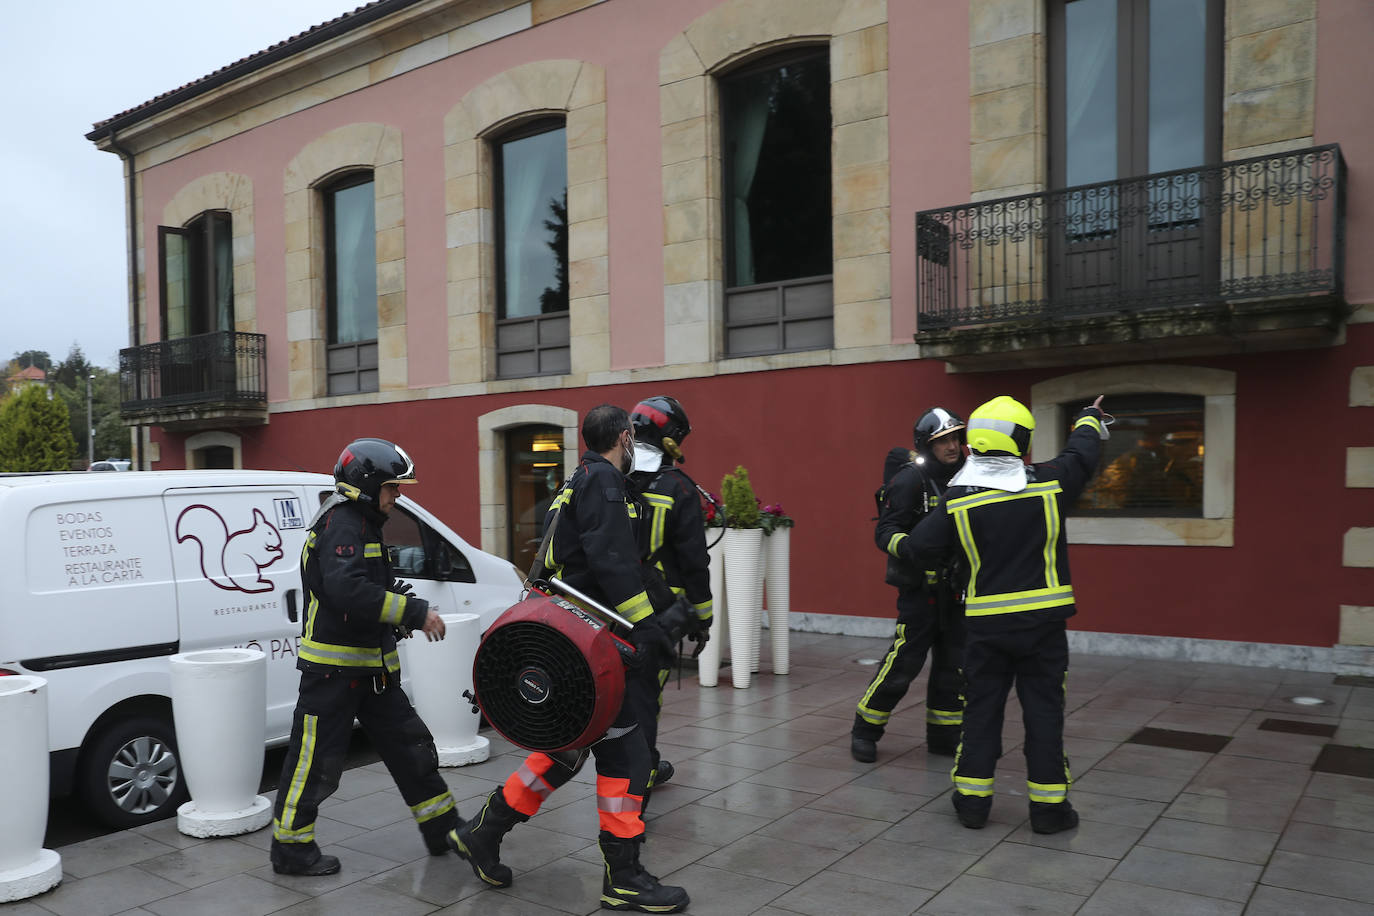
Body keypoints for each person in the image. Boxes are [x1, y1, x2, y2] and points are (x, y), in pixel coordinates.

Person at [451, 404, 691, 914]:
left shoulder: (578, 479)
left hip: (566, 643)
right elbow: (612, 562)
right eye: (632, 439)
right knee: (628, 756)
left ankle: (483, 831)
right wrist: (648, 628)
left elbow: (615, 562)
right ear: (625, 437)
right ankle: (623, 878)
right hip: (587, 645)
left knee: (564, 750)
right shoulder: (605, 482)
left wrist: (666, 610)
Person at [903, 395, 1108, 835]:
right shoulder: (1052, 482)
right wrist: (1089, 417)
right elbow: (1082, 452)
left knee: (980, 712)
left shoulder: (958, 500)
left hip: (984, 628)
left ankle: (974, 803)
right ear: (1023, 440)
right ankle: (1049, 810)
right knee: (1044, 713)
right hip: (1044, 627)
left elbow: (919, 548)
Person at [270, 438, 458, 876]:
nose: (399, 496)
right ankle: (291, 849)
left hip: (371, 670)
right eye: (394, 488)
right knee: (313, 762)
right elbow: (346, 591)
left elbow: (365, 589)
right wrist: (413, 612)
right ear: (368, 486)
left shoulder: (361, 522)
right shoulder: (342, 524)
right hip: (334, 673)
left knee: (412, 749)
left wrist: (393, 607)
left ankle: (443, 828)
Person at [852, 407, 968, 763]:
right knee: (903, 665)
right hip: (921, 593)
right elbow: (884, 532)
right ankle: (866, 729)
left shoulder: (967, 475)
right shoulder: (909, 481)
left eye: (955, 438)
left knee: (954, 667)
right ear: (926, 444)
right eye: (942, 441)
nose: (952, 446)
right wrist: (910, 548)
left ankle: (944, 736)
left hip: (957, 592)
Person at [627, 395, 713, 802]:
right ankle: (637, 774)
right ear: (670, 438)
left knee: (620, 692)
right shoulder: (678, 488)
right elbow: (695, 562)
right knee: (645, 696)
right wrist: (703, 616)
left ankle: (645, 762)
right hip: (660, 614)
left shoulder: (605, 479)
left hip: (608, 607)